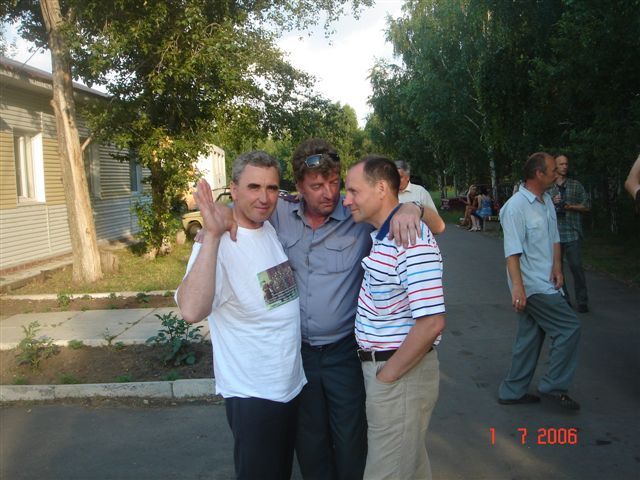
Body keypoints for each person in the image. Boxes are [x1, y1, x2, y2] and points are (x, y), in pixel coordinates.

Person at [269, 139, 425, 480]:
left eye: (334, 182)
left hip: (344, 352)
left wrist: (413, 209)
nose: (329, 193)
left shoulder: (357, 216)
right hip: (299, 353)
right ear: (299, 187)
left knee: (351, 439)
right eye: (316, 186)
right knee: (310, 443)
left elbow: (402, 211)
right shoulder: (280, 213)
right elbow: (242, 206)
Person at [176, 151, 307, 480]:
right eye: (253, 187)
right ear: (233, 189)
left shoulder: (266, 229)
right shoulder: (218, 243)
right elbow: (191, 310)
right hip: (254, 397)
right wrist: (212, 235)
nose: (264, 197)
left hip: (287, 387)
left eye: (272, 188)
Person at [344, 155, 445, 480]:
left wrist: (387, 377)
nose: (346, 200)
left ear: (381, 189)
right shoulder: (386, 234)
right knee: (411, 468)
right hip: (393, 374)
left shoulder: (409, 239)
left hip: (399, 375)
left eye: (353, 191)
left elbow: (432, 322)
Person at [498, 152, 581, 411]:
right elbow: (512, 253)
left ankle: (512, 391)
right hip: (531, 286)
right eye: (552, 170)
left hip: (546, 280)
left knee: (530, 337)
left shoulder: (546, 201)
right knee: (569, 327)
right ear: (538, 174)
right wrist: (518, 289)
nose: (557, 174)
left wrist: (557, 267)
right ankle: (553, 387)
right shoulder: (515, 207)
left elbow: (554, 237)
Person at [548, 154, 590, 313]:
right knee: (557, 269)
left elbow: (586, 206)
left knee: (576, 266)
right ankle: (564, 300)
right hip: (555, 233)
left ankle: (582, 300)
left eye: (566, 164)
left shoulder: (575, 185)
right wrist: (551, 203)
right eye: (561, 164)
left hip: (572, 231)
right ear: (555, 166)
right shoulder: (548, 187)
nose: (565, 166)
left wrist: (570, 206)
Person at [395, 160, 446, 234]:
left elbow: (435, 221)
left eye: (400, 177)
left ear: (408, 177)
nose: (396, 180)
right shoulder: (387, 193)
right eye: (393, 177)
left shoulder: (420, 192)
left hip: (417, 238)